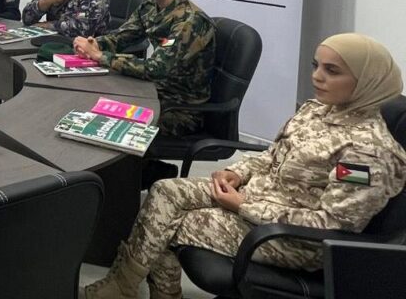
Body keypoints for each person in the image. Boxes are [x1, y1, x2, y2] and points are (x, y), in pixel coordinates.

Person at [83, 33, 406, 299]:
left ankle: (135, 289)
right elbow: (272, 155)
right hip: (259, 198)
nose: (317, 76)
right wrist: (238, 172)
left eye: (332, 71)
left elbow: (332, 225)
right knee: (165, 192)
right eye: (316, 65)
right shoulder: (317, 109)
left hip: (295, 241)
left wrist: (245, 206)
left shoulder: (366, 152)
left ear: (366, 81)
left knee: (169, 224)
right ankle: (126, 285)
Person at [73, 0, 215, 138]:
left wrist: (100, 56)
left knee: (105, 123)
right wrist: (94, 44)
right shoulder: (150, 6)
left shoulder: (189, 21)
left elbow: (156, 69)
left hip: (179, 110)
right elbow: (122, 36)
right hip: (150, 93)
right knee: (88, 103)